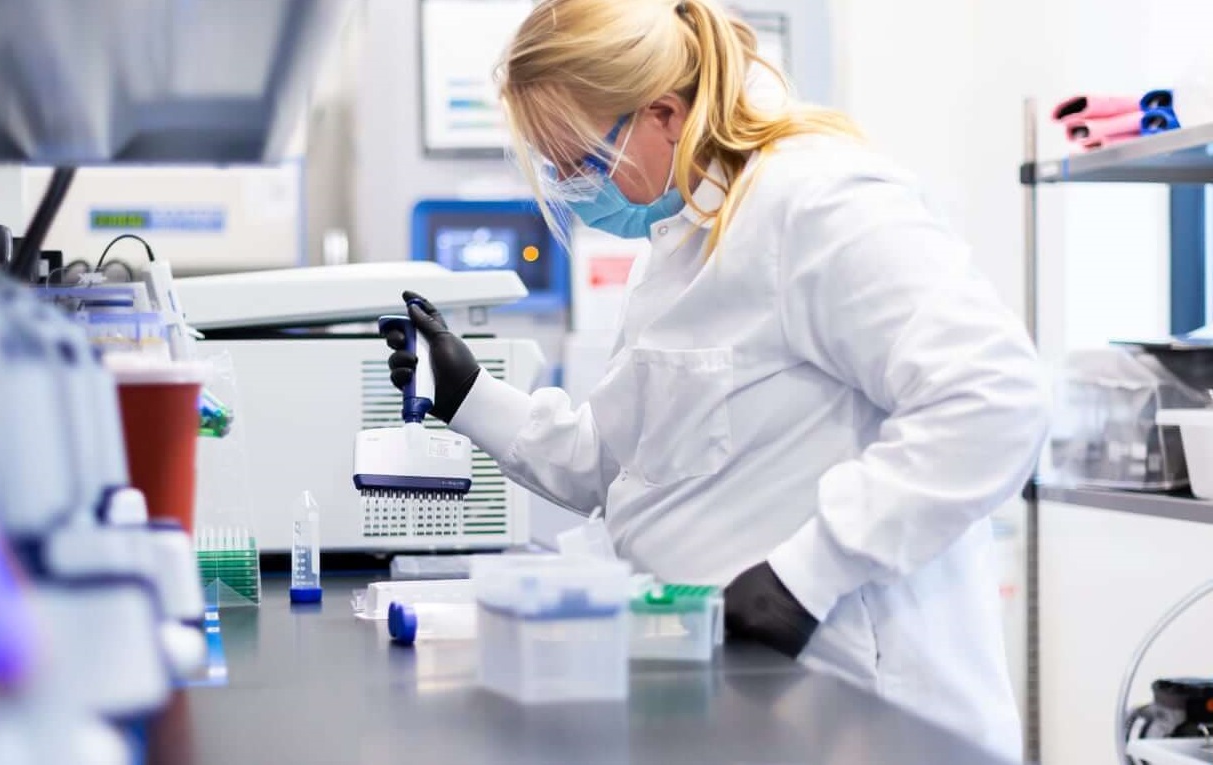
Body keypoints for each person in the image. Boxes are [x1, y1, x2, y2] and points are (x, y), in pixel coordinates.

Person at [385, 0, 1048, 758]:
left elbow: (995, 397)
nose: (569, 186)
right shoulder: (677, 246)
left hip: (857, 710)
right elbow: (621, 462)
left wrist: (805, 573)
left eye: (579, 160)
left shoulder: (815, 202)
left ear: (663, 113)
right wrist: (472, 396)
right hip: (732, 697)